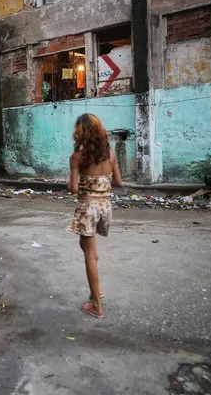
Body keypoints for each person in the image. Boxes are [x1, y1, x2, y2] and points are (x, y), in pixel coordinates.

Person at [67, 113, 122, 318]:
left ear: (80, 133)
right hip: (105, 206)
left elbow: (73, 189)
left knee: (89, 253)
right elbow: (118, 182)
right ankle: (96, 288)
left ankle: (97, 305)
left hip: (87, 207)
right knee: (87, 246)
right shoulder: (111, 154)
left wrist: (80, 181)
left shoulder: (77, 157)